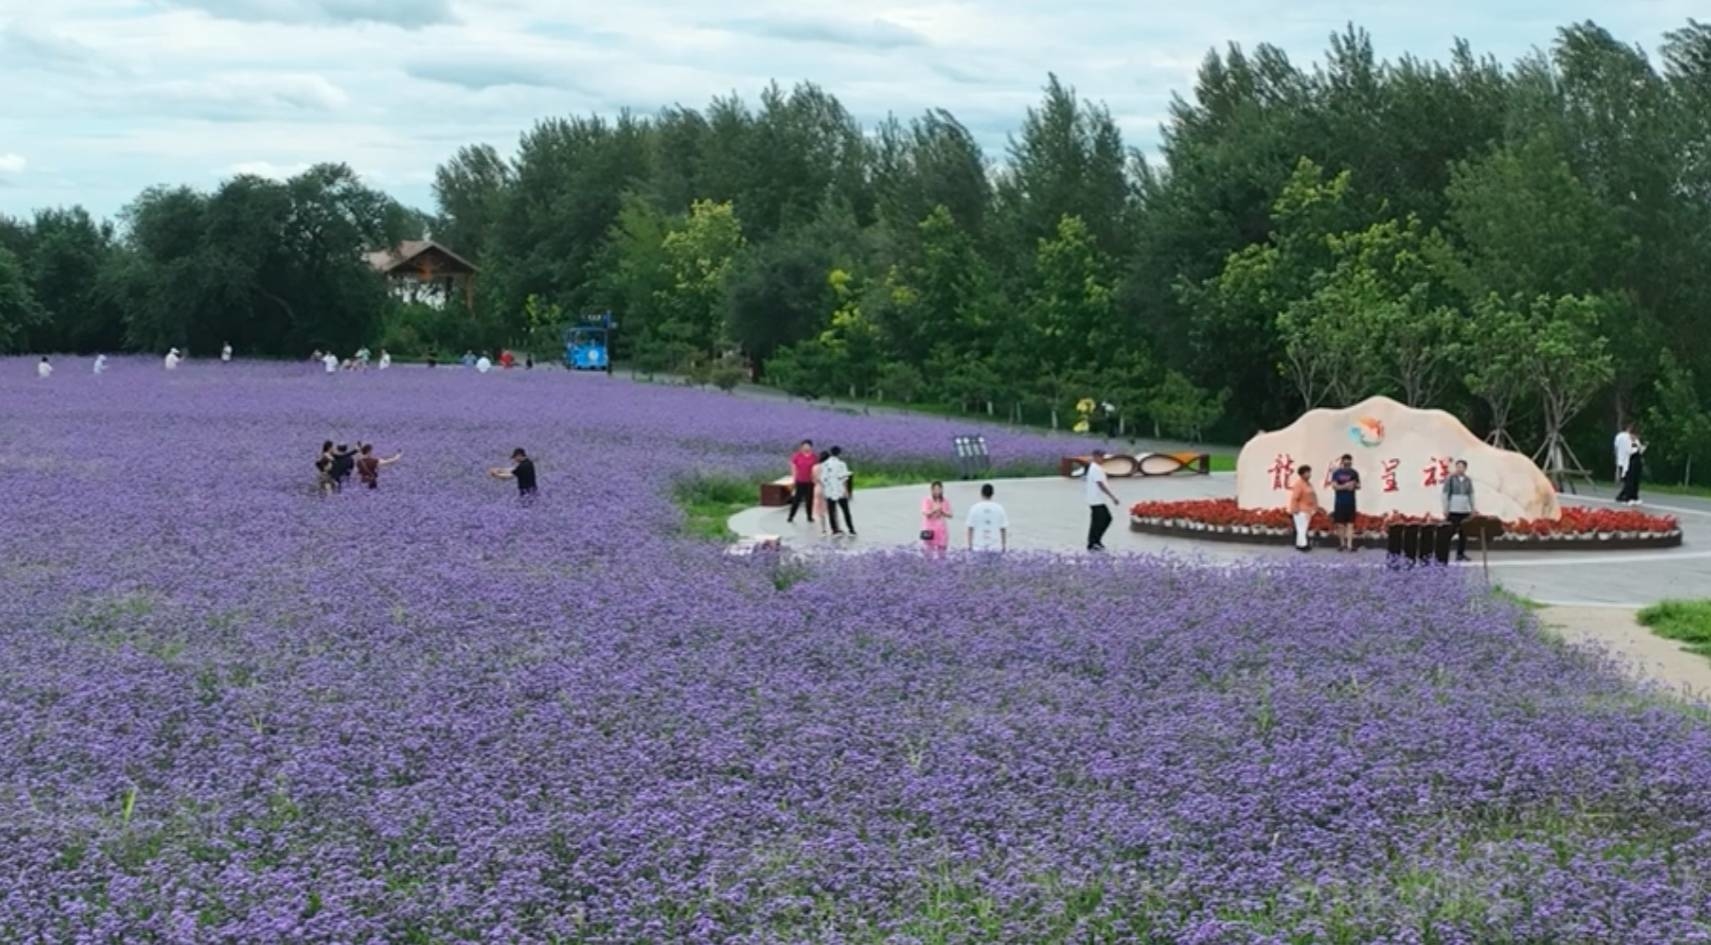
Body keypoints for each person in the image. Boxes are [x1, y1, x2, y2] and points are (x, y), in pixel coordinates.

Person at [1084, 448, 1121, 552]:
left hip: (1096, 499)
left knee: (1100, 520)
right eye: (1101, 457)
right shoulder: (1095, 468)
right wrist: (1112, 497)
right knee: (1104, 519)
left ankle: (1095, 541)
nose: (1102, 459)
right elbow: (1100, 484)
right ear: (1095, 456)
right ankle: (1093, 542)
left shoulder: (1095, 467)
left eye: (1103, 457)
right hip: (1096, 500)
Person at [1442, 459, 1477, 562]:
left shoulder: (1468, 480)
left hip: (1464, 509)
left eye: (1461, 467)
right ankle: (1443, 552)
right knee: (1450, 531)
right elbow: (1445, 494)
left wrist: (1472, 508)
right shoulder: (1451, 479)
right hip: (1453, 509)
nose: (1459, 469)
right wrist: (1446, 508)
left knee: (1464, 533)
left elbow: (1471, 494)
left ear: (1465, 468)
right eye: (1457, 467)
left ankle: (1460, 554)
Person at [1329, 454, 1361, 552]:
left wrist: (1354, 485)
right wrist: (1347, 485)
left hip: (1351, 502)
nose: (1348, 462)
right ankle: (1342, 544)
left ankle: (1350, 545)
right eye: (1346, 460)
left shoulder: (1354, 473)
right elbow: (1334, 486)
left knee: (1350, 524)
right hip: (1339, 502)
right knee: (1340, 525)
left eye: (1349, 460)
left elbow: (1359, 486)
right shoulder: (1336, 473)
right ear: (1342, 461)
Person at [821, 446, 854, 537]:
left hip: (829, 490)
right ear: (839, 453)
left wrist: (825, 489)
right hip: (840, 489)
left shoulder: (824, 464)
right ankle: (851, 529)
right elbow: (844, 478)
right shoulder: (842, 464)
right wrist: (846, 491)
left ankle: (834, 530)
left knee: (831, 511)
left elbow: (823, 479)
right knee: (846, 511)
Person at [966, 483, 1009, 553]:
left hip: (978, 547)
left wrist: (970, 546)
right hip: (995, 547)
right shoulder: (999, 508)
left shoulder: (974, 508)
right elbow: (1003, 529)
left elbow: (970, 529)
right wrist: (1003, 546)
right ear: (992, 494)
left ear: (981, 493)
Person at [1287, 464, 1318, 552]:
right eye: (1307, 473)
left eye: (1309, 472)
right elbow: (1295, 497)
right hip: (1300, 509)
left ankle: (1299, 544)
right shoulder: (1299, 484)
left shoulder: (1309, 484)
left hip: (1308, 509)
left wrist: (1315, 507)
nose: (1309, 474)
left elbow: (1313, 496)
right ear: (1301, 474)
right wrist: (1294, 508)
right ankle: (1303, 545)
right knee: (1301, 528)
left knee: (1304, 528)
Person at [785, 440, 817, 525]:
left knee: (809, 499)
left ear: (811, 447)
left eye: (808, 446)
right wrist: (794, 479)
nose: (806, 447)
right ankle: (791, 516)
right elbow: (793, 467)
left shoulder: (814, 457)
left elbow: (817, 468)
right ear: (801, 447)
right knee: (796, 499)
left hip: (810, 481)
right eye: (804, 446)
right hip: (800, 480)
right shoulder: (797, 456)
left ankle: (809, 516)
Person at [920, 481, 953, 556]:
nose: (937, 491)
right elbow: (925, 513)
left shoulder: (945, 500)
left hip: (941, 529)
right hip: (928, 529)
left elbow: (950, 515)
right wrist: (934, 510)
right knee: (927, 552)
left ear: (942, 490)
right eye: (935, 489)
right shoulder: (927, 500)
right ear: (931, 490)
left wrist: (942, 512)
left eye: (939, 489)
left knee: (942, 551)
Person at [1616, 429, 1646, 505]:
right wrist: (1638, 448)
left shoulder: (1635, 441)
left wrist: (1642, 447)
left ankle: (1633, 496)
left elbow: (1639, 449)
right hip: (1629, 461)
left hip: (1636, 460)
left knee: (1635, 480)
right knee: (1630, 481)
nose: (1636, 437)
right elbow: (1631, 450)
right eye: (1635, 435)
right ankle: (1626, 497)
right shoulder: (1627, 441)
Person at [1614, 422, 1635, 486]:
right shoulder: (1630, 436)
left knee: (1618, 468)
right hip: (1627, 455)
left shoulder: (1619, 436)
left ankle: (1617, 481)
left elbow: (1616, 446)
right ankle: (1625, 482)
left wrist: (1616, 454)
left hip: (1619, 454)